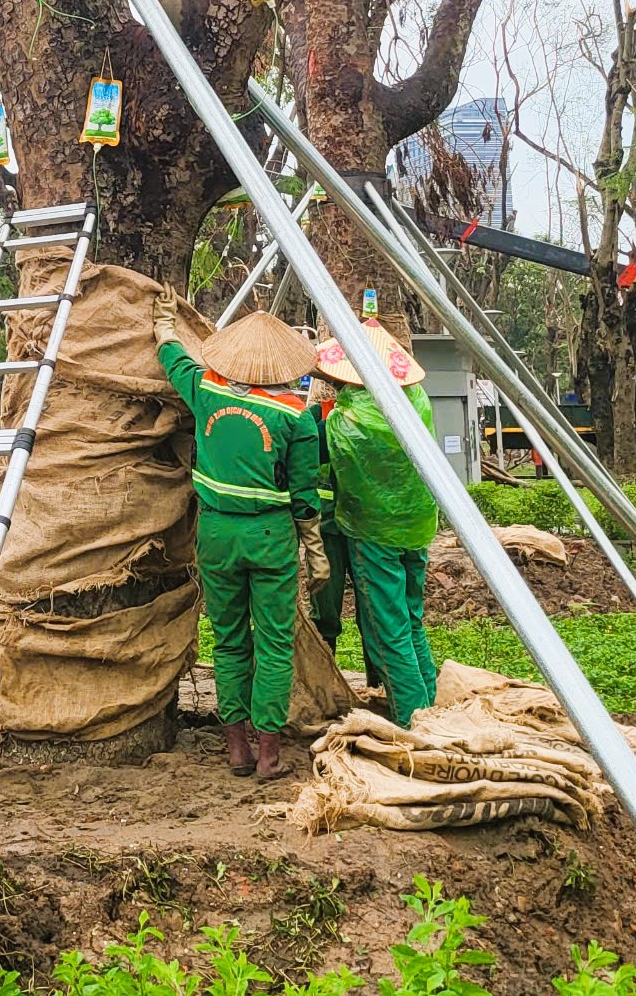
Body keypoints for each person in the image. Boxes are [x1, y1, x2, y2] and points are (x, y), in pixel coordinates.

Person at [153, 296, 321, 782]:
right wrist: (314, 549)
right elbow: (305, 493)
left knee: (227, 641)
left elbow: (174, 357)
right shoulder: (296, 415)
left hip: (216, 534)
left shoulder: (205, 390)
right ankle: (269, 754)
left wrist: (165, 324)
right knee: (273, 643)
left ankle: (236, 750)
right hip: (270, 536)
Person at [314, 323, 441, 728]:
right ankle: (431, 707)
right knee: (411, 617)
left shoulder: (349, 418)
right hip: (417, 527)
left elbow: (310, 448)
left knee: (389, 627)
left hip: (373, 534)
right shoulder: (416, 398)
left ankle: (412, 719)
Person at [305, 379, 352, 653]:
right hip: (326, 527)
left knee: (373, 610)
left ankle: (378, 682)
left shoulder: (367, 416)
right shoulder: (313, 418)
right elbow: (312, 452)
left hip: (362, 525)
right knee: (325, 606)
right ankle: (326, 669)